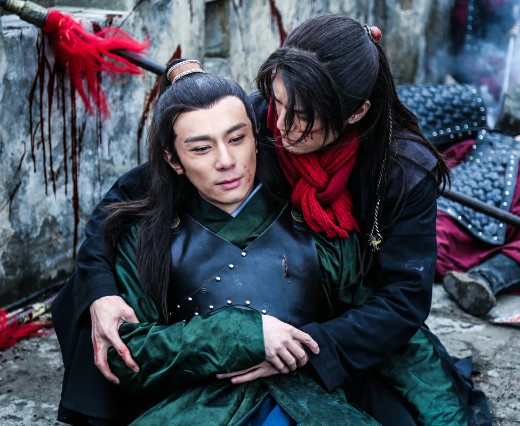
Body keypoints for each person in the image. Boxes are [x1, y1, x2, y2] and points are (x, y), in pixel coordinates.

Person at [55, 15, 489, 424]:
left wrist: (308, 352)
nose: (279, 127)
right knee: (87, 290)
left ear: (355, 113)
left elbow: (401, 300)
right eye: (278, 102)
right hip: (225, 354)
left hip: (341, 323)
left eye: (301, 117)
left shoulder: (401, 172)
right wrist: (100, 292)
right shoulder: (259, 120)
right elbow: (125, 199)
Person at [397, 82, 520, 316]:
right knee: (430, 237)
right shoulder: (481, 141)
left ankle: (484, 279)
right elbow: (440, 164)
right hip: (467, 194)